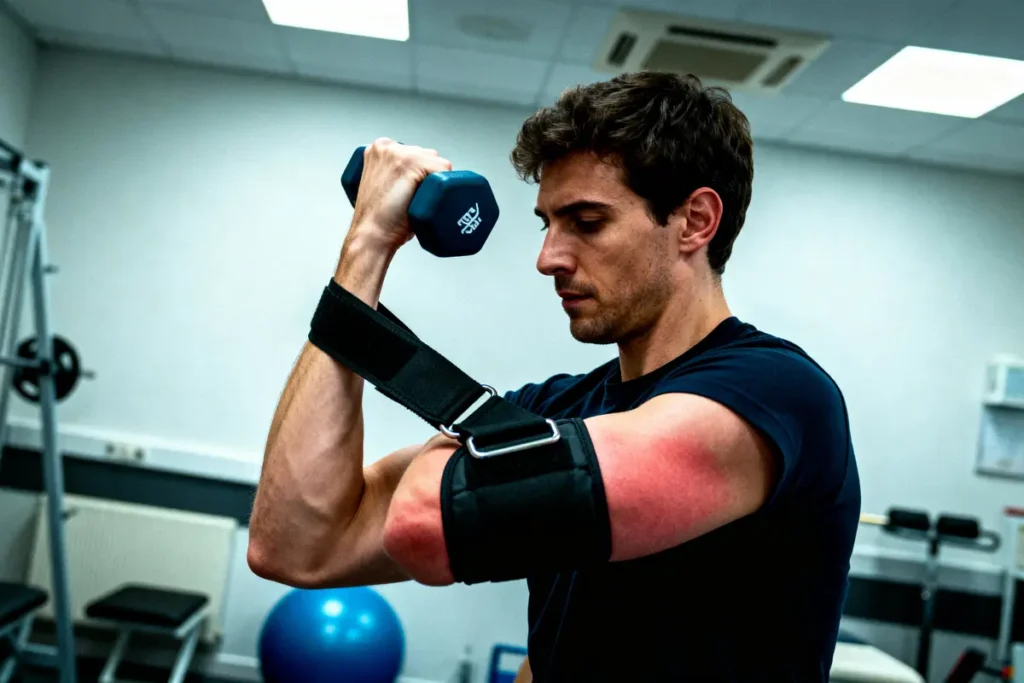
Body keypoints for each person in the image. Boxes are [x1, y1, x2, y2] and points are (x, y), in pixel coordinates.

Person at [248, 71, 861, 682]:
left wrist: (470, 460)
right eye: (548, 224)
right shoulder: (560, 408)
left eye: (587, 222)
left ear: (695, 221)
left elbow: (422, 522)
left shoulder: (777, 394)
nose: (548, 259)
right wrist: (367, 247)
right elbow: (296, 546)